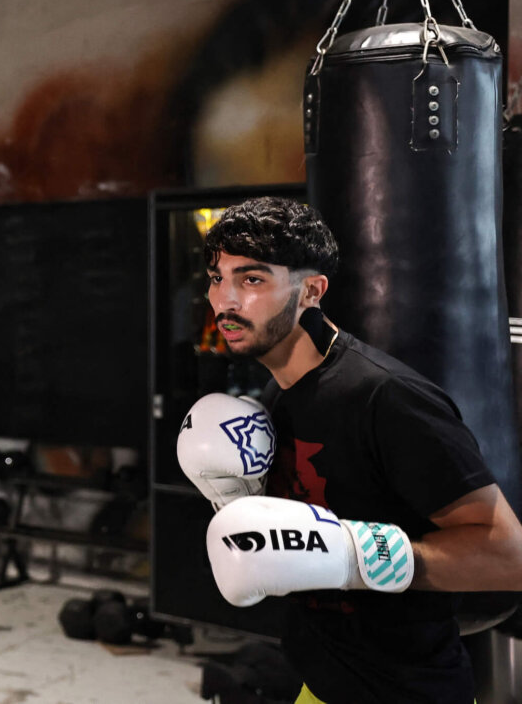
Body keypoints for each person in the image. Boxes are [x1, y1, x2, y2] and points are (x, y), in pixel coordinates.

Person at [176, 196, 522, 704]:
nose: (224, 300)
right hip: (321, 681)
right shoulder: (279, 397)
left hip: (407, 692)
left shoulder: (386, 398)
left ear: (311, 291)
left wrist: (359, 559)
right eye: (216, 278)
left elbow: (507, 555)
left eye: (251, 280)